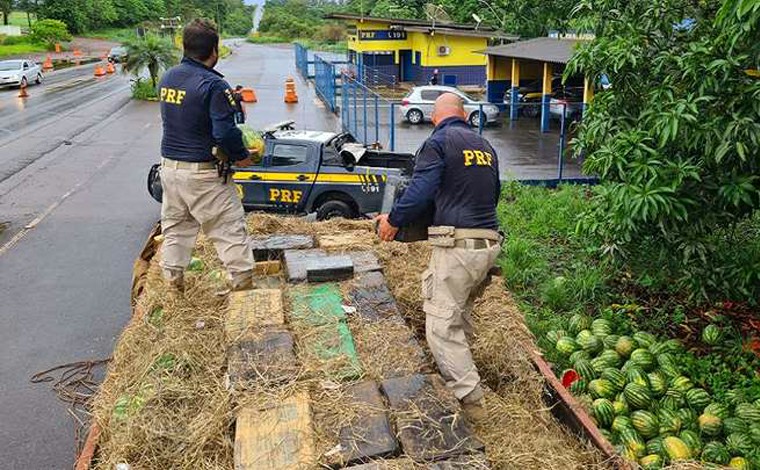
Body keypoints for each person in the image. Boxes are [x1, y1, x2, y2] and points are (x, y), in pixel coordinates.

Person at [376, 93, 501, 422]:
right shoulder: (484, 146)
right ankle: (465, 365)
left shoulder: (439, 142)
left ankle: (471, 402)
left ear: (434, 117)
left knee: (441, 326)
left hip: (459, 247)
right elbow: (492, 193)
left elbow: (421, 190)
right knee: (459, 313)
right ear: (464, 114)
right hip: (488, 245)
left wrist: (393, 220)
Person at [157, 19, 256, 294]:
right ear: (214, 49)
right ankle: (243, 288)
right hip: (203, 173)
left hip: (170, 169)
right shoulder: (214, 85)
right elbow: (224, 132)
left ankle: (172, 287)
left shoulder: (168, 77)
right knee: (228, 227)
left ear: (185, 46)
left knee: (176, 228)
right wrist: (242, 157)